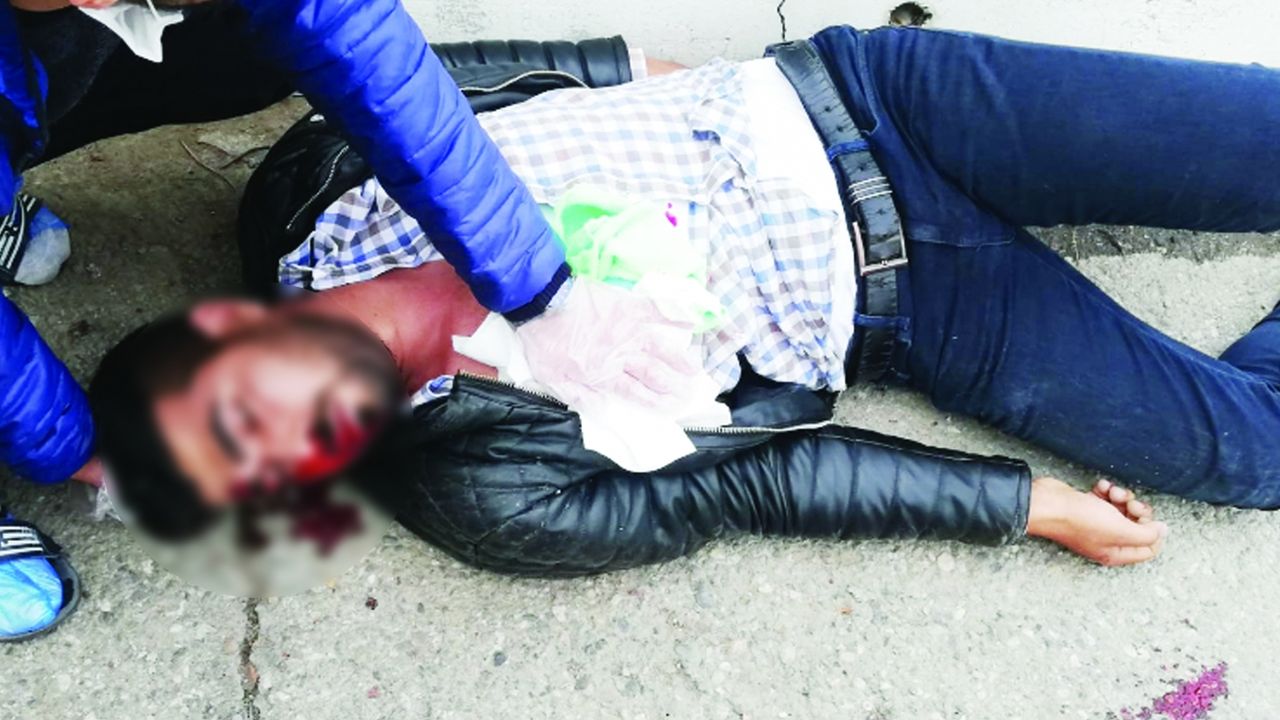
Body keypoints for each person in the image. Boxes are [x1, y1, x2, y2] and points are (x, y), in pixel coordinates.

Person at [92, 24, 1280, 580]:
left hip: (865, 100)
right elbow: (755, 484)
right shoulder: (485, 490)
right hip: (917, 301)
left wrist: (693, 85)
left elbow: (482, 76)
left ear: (223, 331)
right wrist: (1032, 508)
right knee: (1251, 450)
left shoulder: (307, 185)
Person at [1, 0, 604, 639]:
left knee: (253, 43)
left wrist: (534, 279)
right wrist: (66, 444)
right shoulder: (497, 483)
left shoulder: (317, 213)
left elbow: (354, 35)